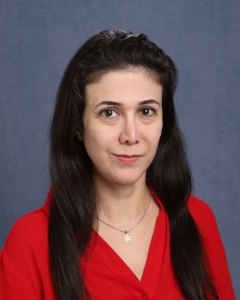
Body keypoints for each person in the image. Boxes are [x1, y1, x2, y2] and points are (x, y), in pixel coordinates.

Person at [0, 29, 235, 300]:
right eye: (109, 113)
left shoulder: (198, 218)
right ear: (78, 125)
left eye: (146, 111)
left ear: (164, 122)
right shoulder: (30, 240)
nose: (131, 136)